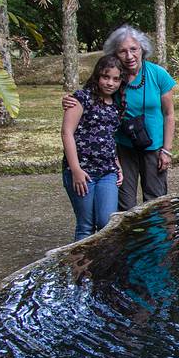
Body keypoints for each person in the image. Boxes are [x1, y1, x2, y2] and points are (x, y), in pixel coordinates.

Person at [64, 25, 176, 210]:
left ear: (143, 49)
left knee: (156, 201)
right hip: (122, 147)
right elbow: (87, 96)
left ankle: (158, 238)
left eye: (134, 49)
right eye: (123, 51)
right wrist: (69, 100)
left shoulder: (158, 74)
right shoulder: (113, 76)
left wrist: (167, 150)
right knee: (124, 202)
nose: (129, 56)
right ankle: (129, 239)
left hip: (154, 147)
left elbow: (169, 114)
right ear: (115, 54)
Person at [61, 54, 125, 241]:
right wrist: (76, 170)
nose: (110, 83)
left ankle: (101, 267)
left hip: (107, 172)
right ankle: (81, 269)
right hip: (83, 172)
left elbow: (109, 138)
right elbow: (67, 133)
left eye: (115, 79)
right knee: (86, 226)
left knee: (107, 223)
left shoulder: (116, 106)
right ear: (97, 76)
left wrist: (117, 165)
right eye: (106, 77)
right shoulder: (81, 98)